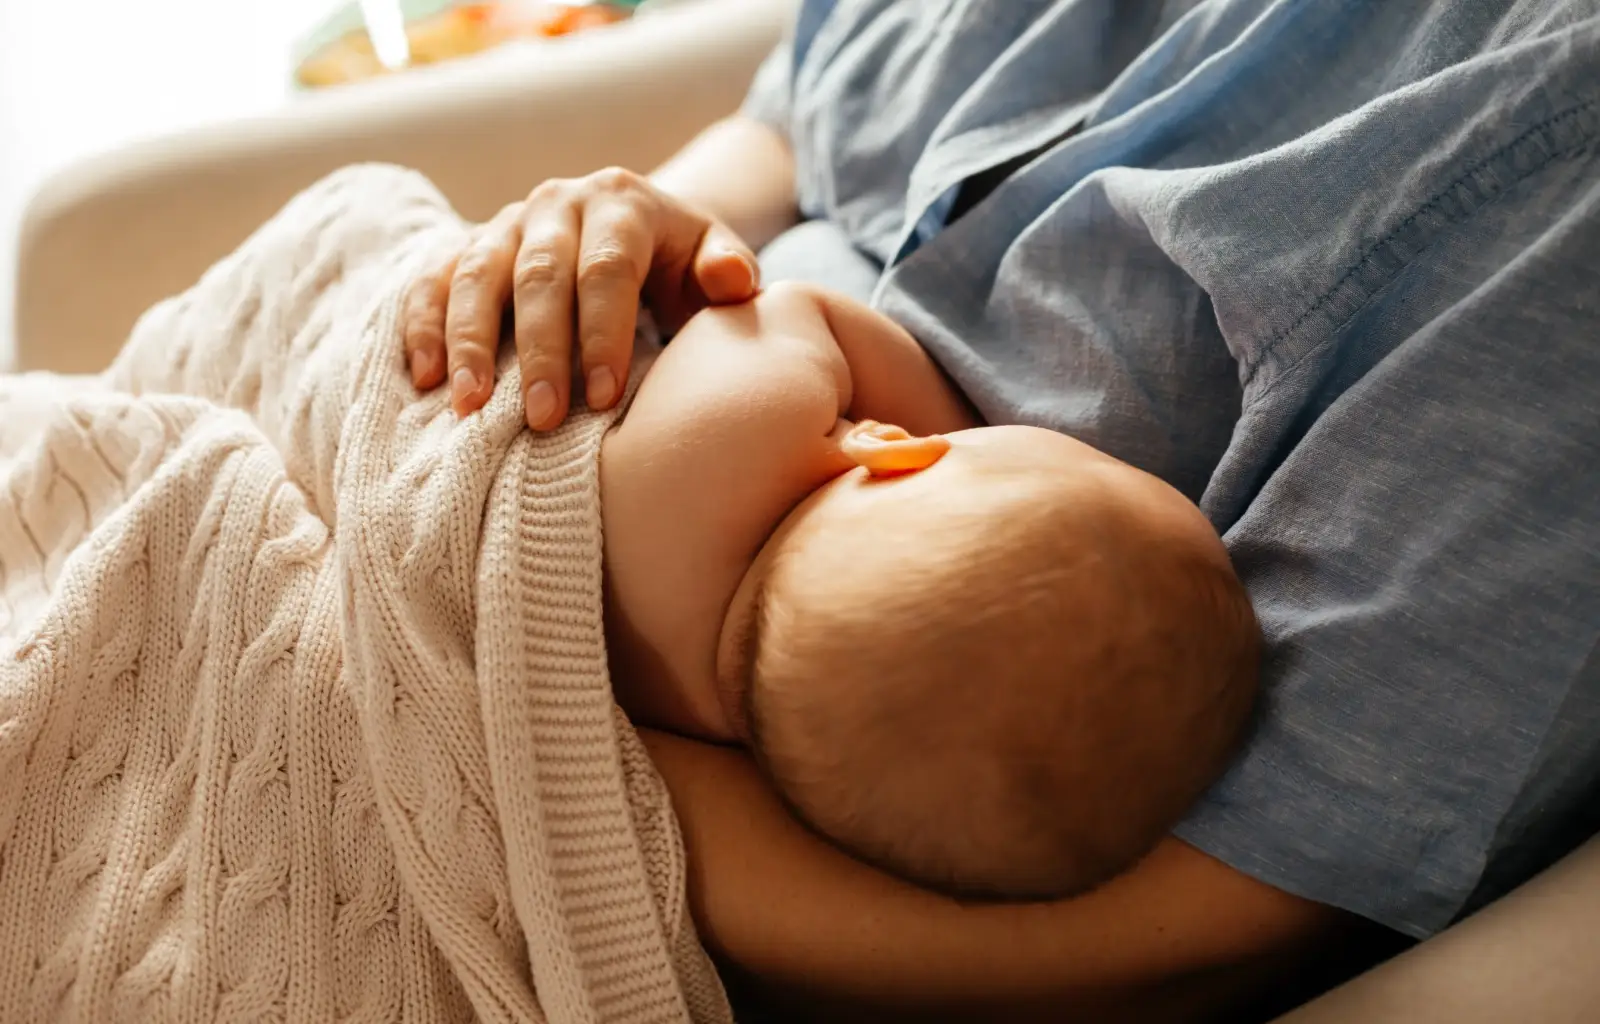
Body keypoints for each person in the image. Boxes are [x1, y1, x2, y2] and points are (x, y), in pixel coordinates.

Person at [404, 1, 1600, 1018]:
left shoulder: (1558, 170)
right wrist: (622, 223)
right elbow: (791, 123)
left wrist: (536, 775)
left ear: (900, 450)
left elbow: (1205, 913)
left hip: (484, 533)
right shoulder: (759, 641)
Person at [601, 280, 1261, 901]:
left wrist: (940, 419)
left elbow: (780, 311)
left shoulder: (724, 452)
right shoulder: (714, 735)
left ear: (897, 452)